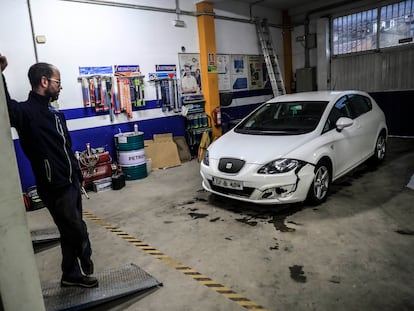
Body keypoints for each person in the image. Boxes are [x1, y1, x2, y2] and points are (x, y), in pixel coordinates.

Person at [0, 55, 98, 288]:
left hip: (71, 181)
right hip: (54, 185)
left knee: (68, 231)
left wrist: (77, 174)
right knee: (76, 230)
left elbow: (65, 147)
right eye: (58, 81)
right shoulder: (25, 113)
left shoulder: (55, 114)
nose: (60, 86)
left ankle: (71, 275)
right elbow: (5, 104)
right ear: (44, 82)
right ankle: (84, 257)